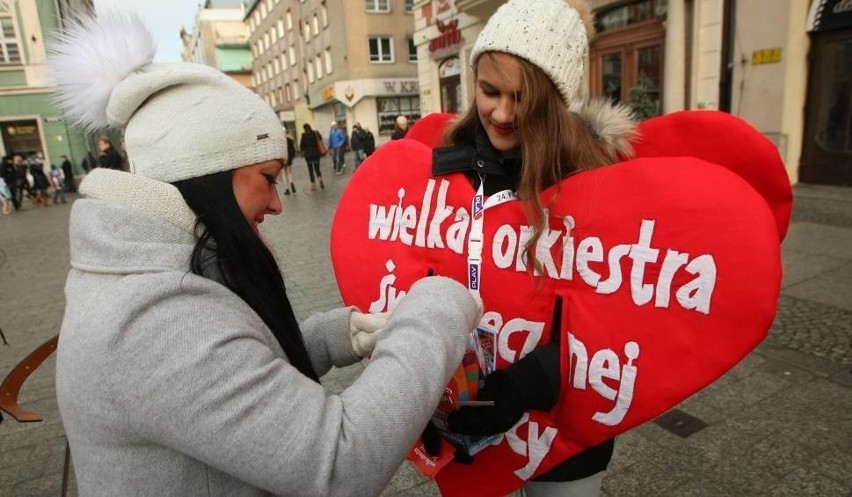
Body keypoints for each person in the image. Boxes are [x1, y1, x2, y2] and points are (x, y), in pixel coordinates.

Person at [48, 12, 481, 496]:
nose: (277, 202)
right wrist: (436, 311)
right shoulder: (156, 323)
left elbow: (219, 382)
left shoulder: (150, 273)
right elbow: (339, 462)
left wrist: (327, 338)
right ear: (210, 172)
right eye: (268, 177)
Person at [429, 0, 637, 495]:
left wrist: (523, 386)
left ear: (553, 100)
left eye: (521, 98)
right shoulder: (448, 171)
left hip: (565, 432)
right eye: (488, 91)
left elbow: (614, 320)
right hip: (470, 417)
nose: (501, 113)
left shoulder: (596, 182)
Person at [299, 123, 325, 191]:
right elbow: (320, 139)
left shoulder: (303, 135)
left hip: (308, 155)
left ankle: (313, 185)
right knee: (317, 168)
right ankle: (320, 180)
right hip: (316, 153)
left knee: (310, 170)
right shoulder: (315, 133)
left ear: (304, 129)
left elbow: (302, 146)